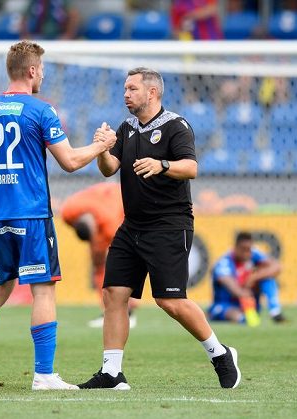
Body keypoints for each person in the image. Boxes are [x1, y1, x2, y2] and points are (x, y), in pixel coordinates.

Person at [0, 40, 116, 390]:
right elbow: (70, 161)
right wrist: (101, 147)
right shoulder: (42, 111)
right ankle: (44, 375)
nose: (42, 74)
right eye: (41, 69)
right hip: (31, 216)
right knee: (43, 290)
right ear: (31, 71)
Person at [78, 67, 240, 390]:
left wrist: (161, 165)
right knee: (113, 293)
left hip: (168, 225)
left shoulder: (176, 126)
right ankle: (112, 372)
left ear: (152, 93)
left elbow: (191, 167)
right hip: (132, 226)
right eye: (125, 88)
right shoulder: (127, 128)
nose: (126, 94)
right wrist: (102, 149)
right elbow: (110, 169)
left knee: (171, 301)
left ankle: (220, 354)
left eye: (132, 89)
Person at [60, 182, 139, 328]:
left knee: (117, 266)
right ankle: (108, 310)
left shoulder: (110, 223)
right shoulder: (68, 211)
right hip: (107, 192)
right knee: (99, 266)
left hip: (124, 202)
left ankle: (128, 311)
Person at [209, 231, 286, 324]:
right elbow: (235, 290)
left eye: (249, 249)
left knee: (268, 279)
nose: (246, 253)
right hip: (226, 304)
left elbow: (277, 267)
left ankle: (275, 311)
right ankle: (244, 318)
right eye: (243, 249)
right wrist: (246, 288)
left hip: (249, 304)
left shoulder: (253, 255)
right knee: (231, 313)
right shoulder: (224, 263)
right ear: (235, 247)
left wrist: (254, 277)